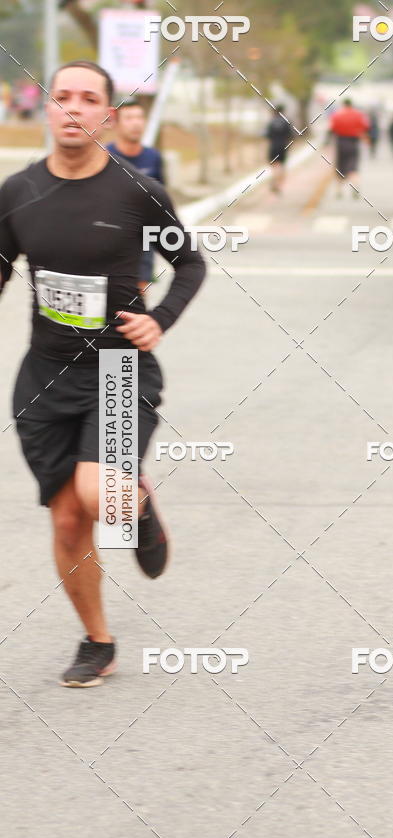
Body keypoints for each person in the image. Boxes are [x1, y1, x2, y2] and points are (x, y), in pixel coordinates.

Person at [0, 60, 206, 688]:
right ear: (48, 108)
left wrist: (160, 319)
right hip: (45, 375)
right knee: (67, 518)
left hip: (119, 368)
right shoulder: (16, 194)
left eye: (88, 99)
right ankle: (97, 641)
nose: (73, 107)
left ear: (106, 117)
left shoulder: (135, 191)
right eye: (62, 96)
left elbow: (190, 265)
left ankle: (134, 504)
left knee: (98, 494)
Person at [107, 98, 165, 293]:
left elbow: (160, 200)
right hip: (109, 239)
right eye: (129, 118)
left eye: (140, 117)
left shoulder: (153, 157)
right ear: (115, 122)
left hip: (143, 240)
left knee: (137, 299)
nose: (136, 123)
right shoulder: (103, 156)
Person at [328, 98, 370, 198]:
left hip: (341, 142)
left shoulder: (337, 115)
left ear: (343, 104)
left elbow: (332, 129)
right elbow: (365, 128)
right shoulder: (359, 115)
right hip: (353, 142)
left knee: (339, 167)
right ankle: (355, 187)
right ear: (352, 104)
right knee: (353, 167)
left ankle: (339, 190)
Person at [265, 104, 293, 194]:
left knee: (273, 165)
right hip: (283, 146)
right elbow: (291, 135)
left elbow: (266, 135)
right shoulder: (286, 121)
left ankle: (275, 181)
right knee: (281, 165)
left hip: (273, 146)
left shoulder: (271, 122)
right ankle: (279, 185)